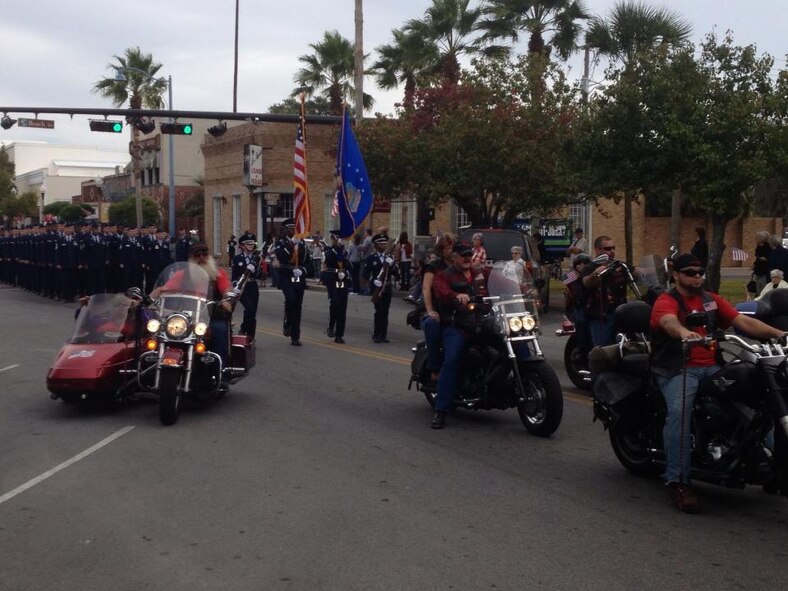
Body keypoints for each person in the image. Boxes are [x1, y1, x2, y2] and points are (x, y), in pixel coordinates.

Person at [650, 252, 785, 513]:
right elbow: (667, 321)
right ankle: (678, 480)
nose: (697, 277)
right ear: (676, 275)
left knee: (758, 402)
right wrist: (684, 332)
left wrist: (780, 334)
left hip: (712, 366)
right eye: (690, 273)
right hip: (678, 368)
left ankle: (772, 466)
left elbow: (742, 321)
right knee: (680, 413)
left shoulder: (710, 300)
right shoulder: (667, 300)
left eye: (700, 272)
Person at [429, 241, 488, 429]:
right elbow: (441, 291)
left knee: (514, 340)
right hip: (458, 324)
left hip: (481, 322)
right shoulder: (444, 275)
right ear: (454, 257)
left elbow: (503, 282)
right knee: (452, 358)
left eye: (469, 254)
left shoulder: (481, 273)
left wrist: (525, 289)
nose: (467, 258)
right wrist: (455, 296)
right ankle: (441, 410)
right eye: (463, 255)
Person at [151, 243, 234, 371]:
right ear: (191, 258)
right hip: (185, 316)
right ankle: (154, 363)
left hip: (211, 316)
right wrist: (149, 299)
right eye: (197, 255)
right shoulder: (182, 274)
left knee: (219, 330)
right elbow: (164, 289)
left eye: (204, 254)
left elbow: (227, 290)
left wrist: (227, 301)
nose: (201, 258)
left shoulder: (217, 274)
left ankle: (221, 369)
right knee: (158, 331)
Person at [581, 236, 630, 347]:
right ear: (597, 250)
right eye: (608, 249)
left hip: (620, 313)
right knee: (602, 349)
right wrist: (595, 274)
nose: (612, 251)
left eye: (613, 248)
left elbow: (638, 272)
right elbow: (586, 282)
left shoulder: (619, 265)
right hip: (600, 315)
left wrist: (662, 268)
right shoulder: (589, 267)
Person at [420, 233, 454, 382]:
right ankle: (435, 369)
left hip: (454, 309)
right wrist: (430, 311)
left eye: (452, 247)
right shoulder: (433, 266)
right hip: (436, 308)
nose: (451, 250)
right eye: (448, 247)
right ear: (441, 249)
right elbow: (426, 288)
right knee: (432, 325)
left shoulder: (459, 265)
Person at [274, 218, 310, 346]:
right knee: (291, 299)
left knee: (297, 306)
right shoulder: (280, 243)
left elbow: (308, 262)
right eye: (291, 228)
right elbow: (281, 256)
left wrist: (302, 271)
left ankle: (295, 336)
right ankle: (287, 322)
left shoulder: (303, 244)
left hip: (298, 276)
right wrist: (291, 244)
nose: (294, 230)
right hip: (286, 276)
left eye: (295, 228)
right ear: (286, 229)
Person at [363, 233, 399, 343]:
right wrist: (373, 280)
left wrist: (392, 265)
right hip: (377, 288)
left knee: (385, 311)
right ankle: (376, 334)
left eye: (384, 243)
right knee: (379, 311)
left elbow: (396, 274)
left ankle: (383, 334)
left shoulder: (389, 258)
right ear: (375, 245)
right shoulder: (371, 258)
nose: (383, 245)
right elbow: (365, 274)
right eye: (381, 244)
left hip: (387, 287)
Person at [231, 232, 261, 338]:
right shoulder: (237, 258)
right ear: (242, 245)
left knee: (252, 312)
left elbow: (260, 275)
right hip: (242, 287)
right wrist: (235, 285)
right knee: (249, 308)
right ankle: (244, 329)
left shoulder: (257, 258)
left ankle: (250, 336)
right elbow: (234, 275)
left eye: (252, 243)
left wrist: (255, 269)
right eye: (248, 244)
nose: (250, 246)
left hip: (252, 286)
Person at [322, 231, 350, 343]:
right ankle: (331, 326)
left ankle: (339, 335)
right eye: (339, 239)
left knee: (342, 307)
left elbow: (349, 265)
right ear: (333, 239)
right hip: (332, 280)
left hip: (342, 280)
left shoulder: (344, 252)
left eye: (342, 239)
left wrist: (345, 273)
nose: (341, 241)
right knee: (335, 302)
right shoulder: (329, 251)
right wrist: (337, 250)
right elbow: (328, 261)